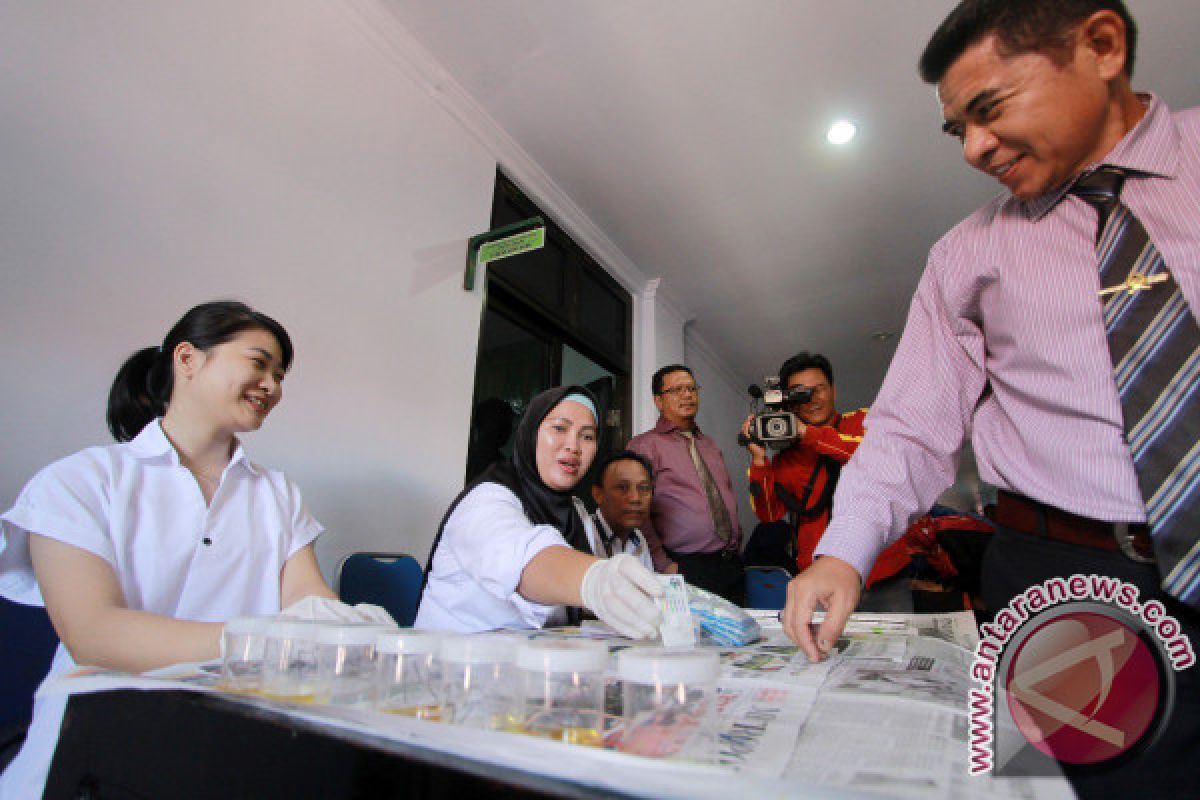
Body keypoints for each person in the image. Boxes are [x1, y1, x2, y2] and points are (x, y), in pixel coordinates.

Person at [780, 2, 1200, 795]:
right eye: (957, 129)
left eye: (989, 109)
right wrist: (843, 551)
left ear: (1101, 46)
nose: (973, 147)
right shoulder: (965, 258)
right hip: (1072, 584)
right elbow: (908, 426)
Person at [0, 301, 378, 798]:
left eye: (280, 374)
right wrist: (267, 642)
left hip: (233, 739)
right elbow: (96, 633)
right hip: (101, 742)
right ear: (187, 359)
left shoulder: (277, 494)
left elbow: (308, 601)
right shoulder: (80, 482)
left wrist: (349, 631)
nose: (273, 386)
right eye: (259, 363)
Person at [415, 386, 663, 637]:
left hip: (528, 663)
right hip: (451, 666)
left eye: (587, 436)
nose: (574, 446)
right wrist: (595, 580)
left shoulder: (573, 511)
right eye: (559, 428)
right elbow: (525, 560)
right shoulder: (486, 499)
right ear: (531, 433)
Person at [741, 352, 912, 610]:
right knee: (824, 650)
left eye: (818, 389)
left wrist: (808, 434)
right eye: (800, 393)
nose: (812, 399)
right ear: (789, 402)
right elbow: (769, 514)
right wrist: (759, 460)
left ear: (833, 390)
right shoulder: (786, 458)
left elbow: (874, 460)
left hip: (882, 575)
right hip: (820, 579)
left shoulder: (864, 421)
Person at [628, 365, 744, 604]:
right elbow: (636, 512)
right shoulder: (645, 446)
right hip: (685, 567)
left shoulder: (710, 445)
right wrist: (663, 563)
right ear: (659, 401)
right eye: (677, 390)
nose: (687, 395)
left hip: (730, 565)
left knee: (737, 637)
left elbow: (725, 495)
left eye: (692, 388)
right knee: (692, 640)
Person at [574, 449, 657, 571]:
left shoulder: (638, 538)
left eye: (644, 488)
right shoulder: (583, 534)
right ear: (598, 494)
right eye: (622, 487)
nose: (635, 498)